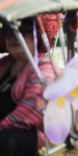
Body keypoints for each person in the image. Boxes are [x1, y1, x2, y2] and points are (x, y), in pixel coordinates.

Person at [0, 18, 55, 155]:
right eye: (8, 33)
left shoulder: (44, 67)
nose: (13, 37)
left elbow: (32, 110)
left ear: (36, 35)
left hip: (30, 135)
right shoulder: (4, 64)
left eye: (21, 32)